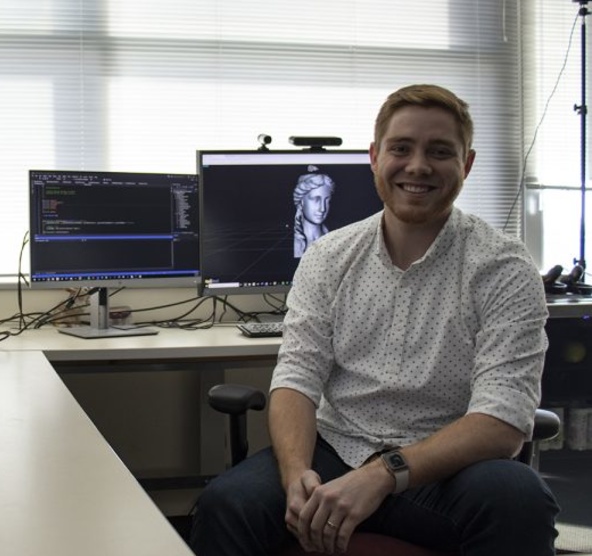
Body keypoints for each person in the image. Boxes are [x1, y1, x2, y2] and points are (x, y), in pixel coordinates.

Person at [189, 84, 559, 556]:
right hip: (336, 449)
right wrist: (297, 475)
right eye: (401, 148)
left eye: (440, 151)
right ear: (374, 157)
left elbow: (502, 421)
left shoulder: (503, 268)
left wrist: (384, 475)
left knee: (518, 497)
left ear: (466, 164)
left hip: (444, 470)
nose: (418, 165)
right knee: (227, 503)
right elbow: (296, 380)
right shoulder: (329, 257)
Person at [292, 169, 335, 258]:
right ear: (302, 201)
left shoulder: (334, 239)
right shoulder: (295, 243)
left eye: (327, 200)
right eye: (316, 199)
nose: (323, 208)